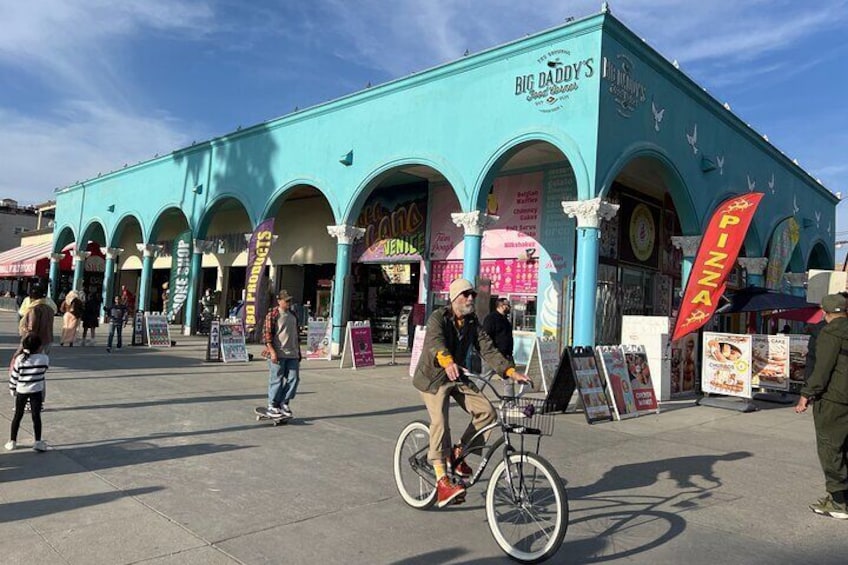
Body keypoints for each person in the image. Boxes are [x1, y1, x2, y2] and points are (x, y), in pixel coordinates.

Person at [413, 278, 530, 507]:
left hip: (457, 375)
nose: (470, 299)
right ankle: (442, 481)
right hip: (433, 379)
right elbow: (436, 342)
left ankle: (459, 451)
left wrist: (509, 370)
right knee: (440, 422)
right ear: (454, 298)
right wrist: (447, 361)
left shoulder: (471, 322)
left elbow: (487, 347)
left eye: (472, 295)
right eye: (466, 295)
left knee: (487, 412)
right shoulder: (438, 317)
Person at [794, 294, 848, 519]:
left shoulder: (830, 332)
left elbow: (823, 368)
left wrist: (806, 394)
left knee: (830, 448)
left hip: (834, 399)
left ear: (825, 312)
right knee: (844, 446)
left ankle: (838, 502)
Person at [6, 334, 50, 452]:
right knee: (36, 416)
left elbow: (14, 376)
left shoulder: (20, 359)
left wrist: (12, 389)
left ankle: (12, 441)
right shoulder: (44, 359)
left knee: (18, 416)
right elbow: (45, 369)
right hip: (36, 391)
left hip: (22, 390)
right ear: (39, 347)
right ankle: (38, 441)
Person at [262, 290, 302, 418]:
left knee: (294, 379)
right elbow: (266, 335)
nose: (289, 303)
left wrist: (299, 352)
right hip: (278, 353)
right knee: (277, 380)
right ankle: (272, 405)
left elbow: (296, 335)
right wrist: (272, 352)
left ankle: (284, 402)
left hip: (292, 354)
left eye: (290, 300)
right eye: (286, 301)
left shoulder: (293, 315)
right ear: (279, 301)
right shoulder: (273, 315)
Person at [482, 297, 516, 396]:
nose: (509, 307)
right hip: (494, 355)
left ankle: (509, 404)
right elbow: (485, 336)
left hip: (507, 355)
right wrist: (491, 352)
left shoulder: (505, 320)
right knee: (485, 378)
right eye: (508, 305)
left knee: (509, 380)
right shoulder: (491, 318)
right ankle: (474, 397)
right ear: (501, 306)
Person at [18, 285, 54, 355]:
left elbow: (32, 328)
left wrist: (23, 345)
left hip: (36, 343)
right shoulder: (49, 309)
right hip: (48, 340)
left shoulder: (34, 309)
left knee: (31, 363)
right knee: (42, 362)